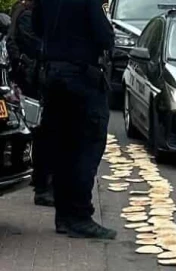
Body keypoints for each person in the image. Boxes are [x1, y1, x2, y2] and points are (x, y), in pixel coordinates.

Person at [33, 0, 115, 239]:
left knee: (61, 148)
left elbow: (38, 26)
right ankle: (80, 216)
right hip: (82, 77)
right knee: (85, 147)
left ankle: (64, 216)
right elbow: (104, 37)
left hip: (52, 74)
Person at [8, 0, 53, 207]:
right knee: (40, 130)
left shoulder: (23, 10)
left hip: (28, 77)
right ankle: (40, 182)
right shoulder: (26, 13)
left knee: (33, 128)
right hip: (30, 78)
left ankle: (34, 174)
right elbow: (35, 46)